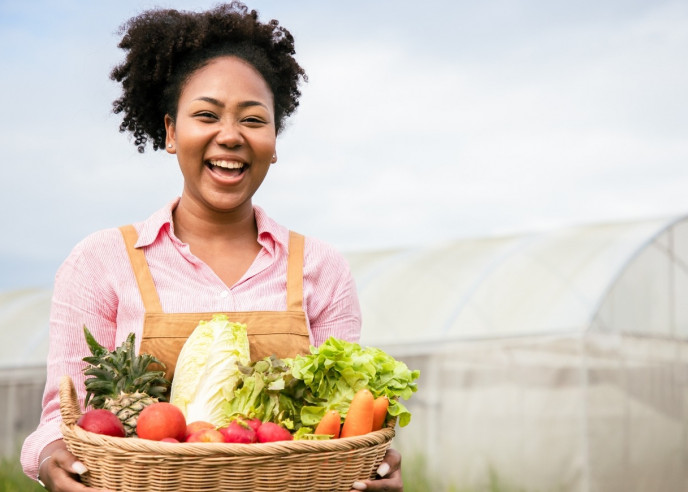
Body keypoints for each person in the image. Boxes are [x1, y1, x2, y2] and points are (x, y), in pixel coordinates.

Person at [20, 3, 403, 491]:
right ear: (171, 133)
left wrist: (378, 462)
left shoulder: (321, 267)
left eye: (253, 119)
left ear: (275, 140)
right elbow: (60, 415)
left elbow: (346, 414)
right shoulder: (102, 261)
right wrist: (55, 458)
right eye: (206, 115)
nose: (230, 136)